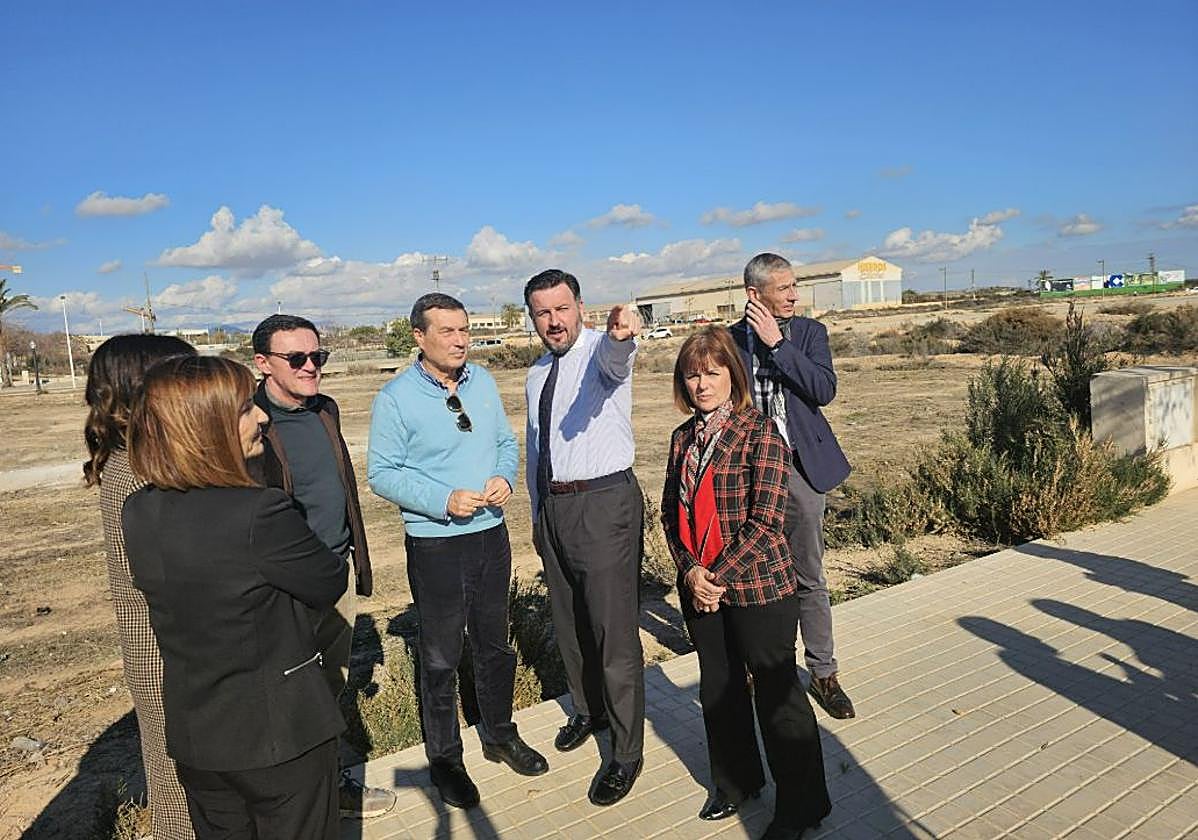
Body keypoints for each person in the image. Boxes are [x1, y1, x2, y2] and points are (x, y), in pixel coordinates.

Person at [122, 355, 348, 840]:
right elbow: (329, 581)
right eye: (247, 408)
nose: (262, 416)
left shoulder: (138, 510)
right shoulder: (258, 513)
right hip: (281, 737)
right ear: (208, 428)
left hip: (199, 736)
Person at [367, 293, 548, 809]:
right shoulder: (396, 397)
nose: (460, 339)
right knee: (442, 655)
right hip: (436, 544)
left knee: (494, 642)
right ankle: (445, 760)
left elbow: (507, 445)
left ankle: (499, 733)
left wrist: (503, 478)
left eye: (464, 329)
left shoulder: (484, 382)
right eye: (446, 331)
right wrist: (443, 501)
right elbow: (382, 473)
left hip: (491, 535)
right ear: (419, 338)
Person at [662, 327, 831, 840]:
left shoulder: (761, 432)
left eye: (712, 373)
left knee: (777, 696)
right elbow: (672, 513)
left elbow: (767, 519)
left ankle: (803, 805)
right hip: (701, 586)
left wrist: (716, 576)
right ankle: (736, 783)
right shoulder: (683, 439)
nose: (702, 384)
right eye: (692, 374)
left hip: (758, 587)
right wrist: (691, 570)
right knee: (720, 688)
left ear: (732, 375)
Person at [250, 314, 395, 818]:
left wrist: (354, 560)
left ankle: (330, 790)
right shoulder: (247, 422)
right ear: (262, 364)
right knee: (285, 699)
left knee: (329, 688)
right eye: (297, 359)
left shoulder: (325, 410)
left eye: (318, 357)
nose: (311, 367)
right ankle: (292, 803)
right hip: (282, 590)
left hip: (336, 576)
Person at [523, 269, 646, 806]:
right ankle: (589, 711)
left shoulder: (603, 351)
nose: (554, 321)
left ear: (580, 307)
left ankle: (625, 752)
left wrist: (621, 338)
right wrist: (537, 515)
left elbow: (616, 364)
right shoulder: (535, 374)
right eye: (543, 313)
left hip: (602, 505)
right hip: (555, 507)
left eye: (562, 308)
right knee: (570, 625)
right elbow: (535, 448)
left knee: (612, 633)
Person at [730, 253, 856, 720]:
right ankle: (756, 670)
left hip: (801, 470)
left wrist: (777, 345)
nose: (794, 295)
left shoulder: (807, 333)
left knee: (809, 576)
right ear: (754, 294)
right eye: (783, 288)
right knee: (748, 577)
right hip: (747, 476)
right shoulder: (727, 343)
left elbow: (823, 390)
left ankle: (824, 673)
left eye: (794, 287)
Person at [84, 333, 198, 840]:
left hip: (172, 648)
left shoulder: (144, 461)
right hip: (167, 653)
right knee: (181, 793)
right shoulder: (138, 473)